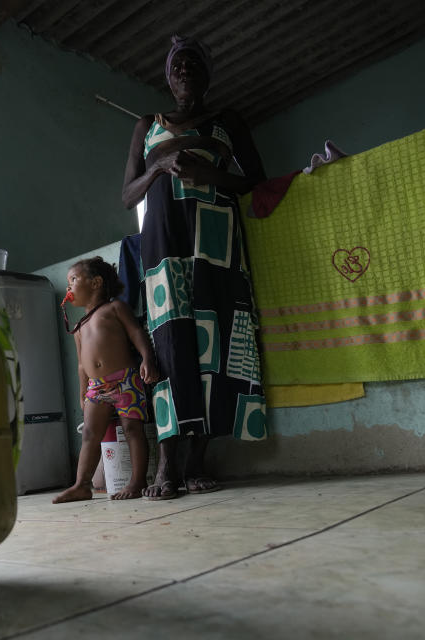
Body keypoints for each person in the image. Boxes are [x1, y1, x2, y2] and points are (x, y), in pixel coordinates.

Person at [121, 35, 268, 500]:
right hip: (163, 242)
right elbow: (128, 195)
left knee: (215, 340)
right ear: (167, 75)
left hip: (216, 241)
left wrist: (209, 175)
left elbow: (255, 181)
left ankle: (198, 460)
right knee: (168, 345)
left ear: (207, 74)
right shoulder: (147, 124)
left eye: (193, 64)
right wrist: (158, 167)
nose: (184, 70)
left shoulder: (228, 120)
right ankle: (168, 463)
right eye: (176, 65)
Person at [53, 257, 159, 503]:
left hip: (125, 380)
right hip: (96, 387)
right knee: (90, 433)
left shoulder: (115, 309)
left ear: (96, 283)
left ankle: (138, 480)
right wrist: (82, 393)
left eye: (73, 280)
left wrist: (147, 359)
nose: (68, 288)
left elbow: (136, 333)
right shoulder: (78, 327)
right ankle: (81, 485)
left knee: (132, 429)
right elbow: (81, 365)